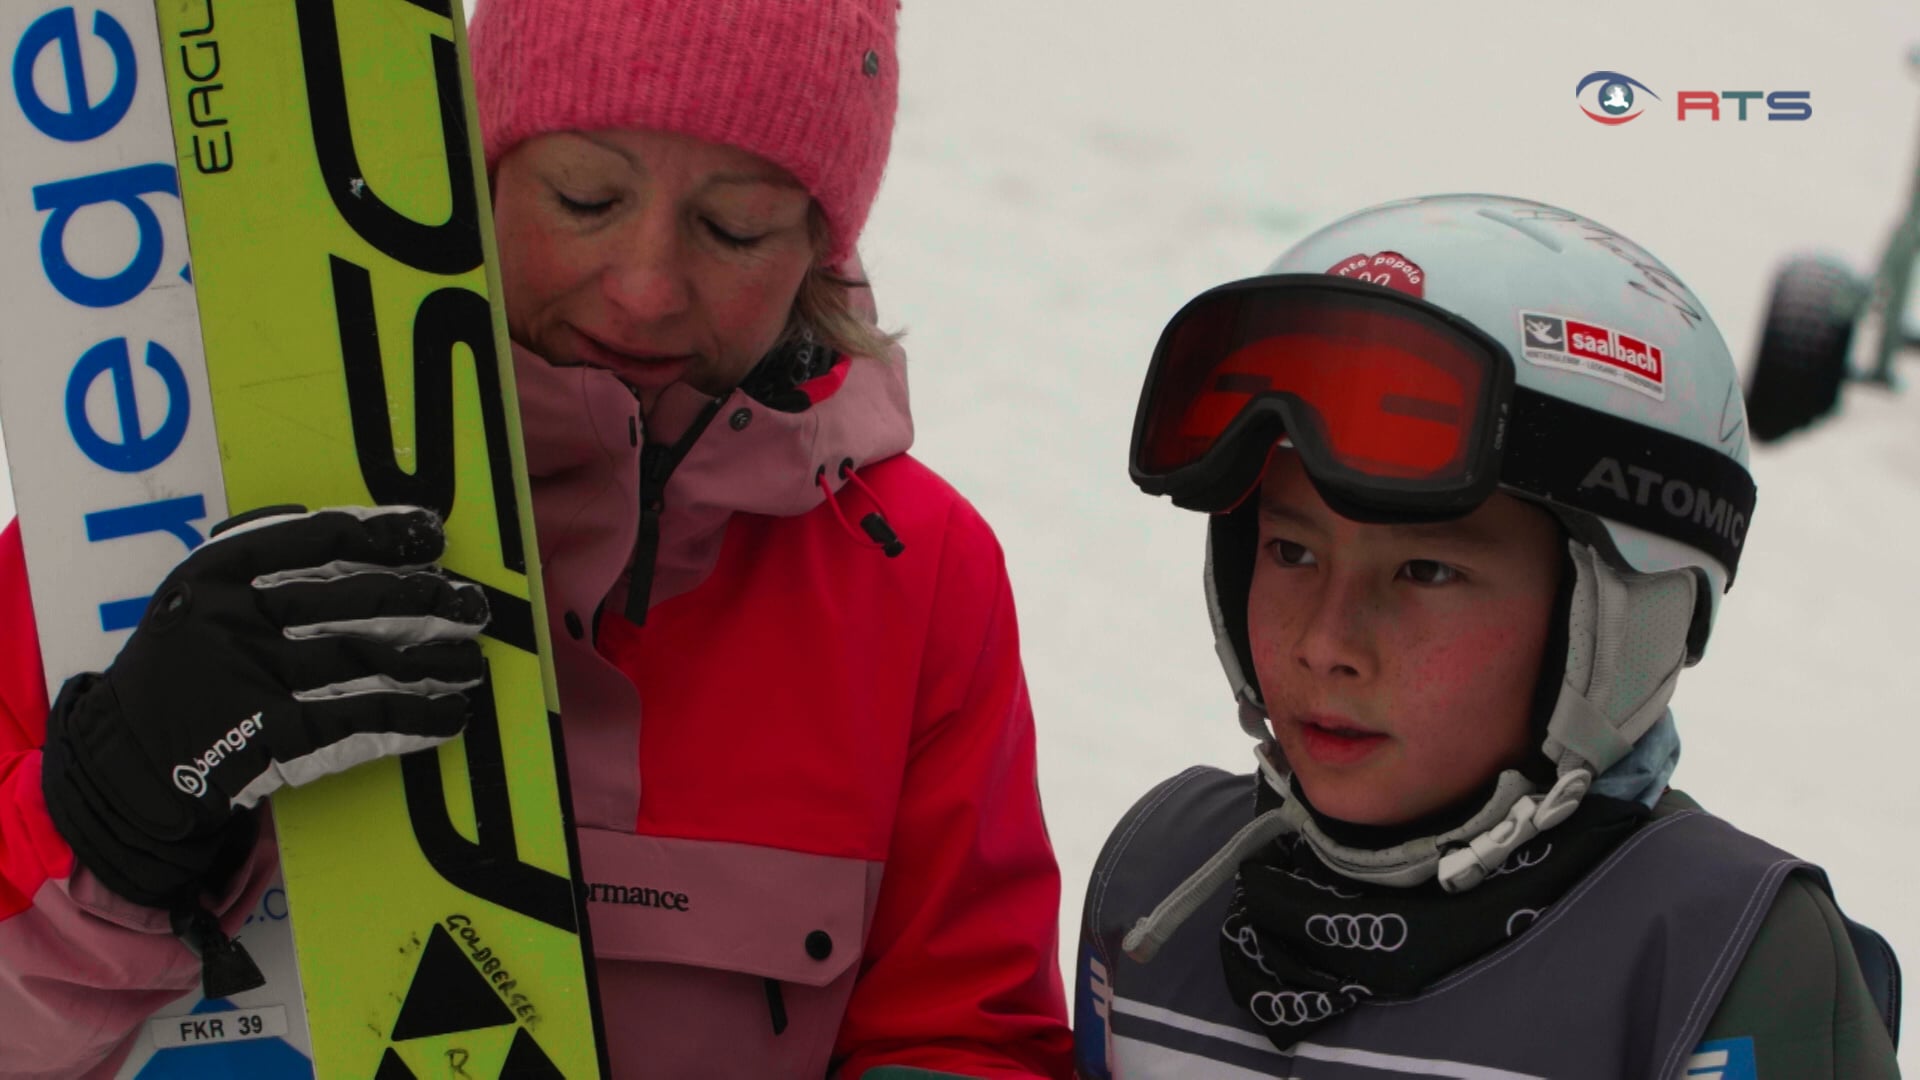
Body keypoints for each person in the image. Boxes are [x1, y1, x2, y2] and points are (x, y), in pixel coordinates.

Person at [0, 1, 1074, 1076]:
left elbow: (959, 1036)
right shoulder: (150, 508)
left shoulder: (916, 572)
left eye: (734, 225)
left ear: (817, 248)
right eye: (586, 198)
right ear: (477, 172)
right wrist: (108, 818)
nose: (646, 287)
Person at [1072, 194, 1902, 1079]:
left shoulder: (1710, 957)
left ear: (1622, 623)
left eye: (1426, 572)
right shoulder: (1156, 885)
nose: (1325, 643)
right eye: (1290, 550)